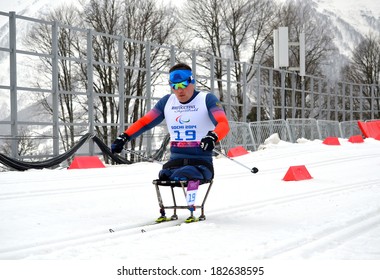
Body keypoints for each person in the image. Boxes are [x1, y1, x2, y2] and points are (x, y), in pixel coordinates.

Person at [111, 62, 230, 222]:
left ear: (192, 81)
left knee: (185, 174)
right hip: (176, 161)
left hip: (201, 162)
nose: (180, 90)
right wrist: (124, 137)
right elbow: (145, 122)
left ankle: (192, 208)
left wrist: (213, 137)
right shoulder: (167, 102)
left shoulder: (206, 99)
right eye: (175, 86)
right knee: (164, 175)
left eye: (183, 84)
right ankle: (167, 211)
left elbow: (223, 123)